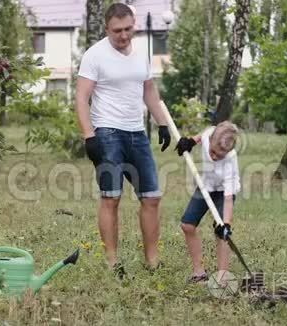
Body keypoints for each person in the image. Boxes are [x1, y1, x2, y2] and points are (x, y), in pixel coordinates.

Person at [75, 3, 171, 277]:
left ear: (133, 25)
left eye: (129, 29)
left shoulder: (141, 54)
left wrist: (161, 122)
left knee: (151, 197)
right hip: (107, 134)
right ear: (107, 29)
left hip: (137, 134)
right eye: (118, 31)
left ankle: (152, 261)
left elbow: (149, 90)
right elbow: (81, 97)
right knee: (111, 198)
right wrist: (89, 135)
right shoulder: (95, 55)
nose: (124, 35)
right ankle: (112, 261)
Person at [175, 121, 241, 284]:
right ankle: (199, 273)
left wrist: (225, 224)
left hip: (223, 192)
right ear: (210, 140)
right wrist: (189, 142)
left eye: (219, 156)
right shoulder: (208, 134)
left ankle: (223, 277)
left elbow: (227, 198)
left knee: (221, 234)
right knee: (187, 225)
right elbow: (199, 138)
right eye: (212, 152)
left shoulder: (229, 161)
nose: (213, 157)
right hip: (205, 186)